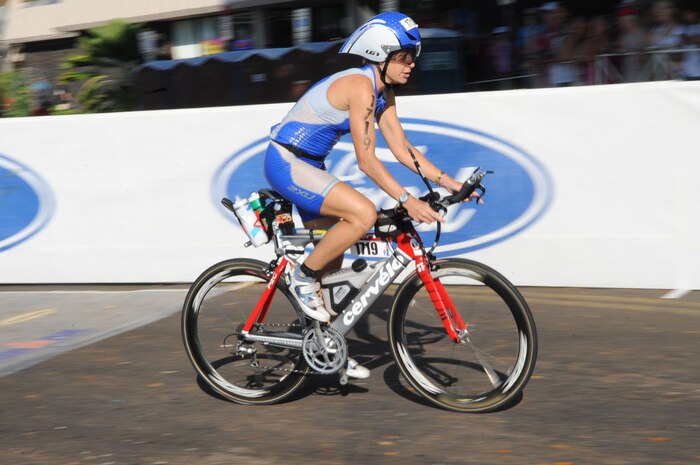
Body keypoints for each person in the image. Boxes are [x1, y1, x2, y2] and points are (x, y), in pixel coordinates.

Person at [263, 12, 478, 379]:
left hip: (310, 166)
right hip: (287, 161)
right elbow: (365, 161)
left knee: (334, 261)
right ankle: (301, 278)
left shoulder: (384, 92)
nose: (412, 64)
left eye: (414, 57)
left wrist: (452, 184)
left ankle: (327, 342)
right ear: (380, 54)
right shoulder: (361, 87)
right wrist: (407, 199)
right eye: (404, 57)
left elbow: (402, 148)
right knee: (362, 215)